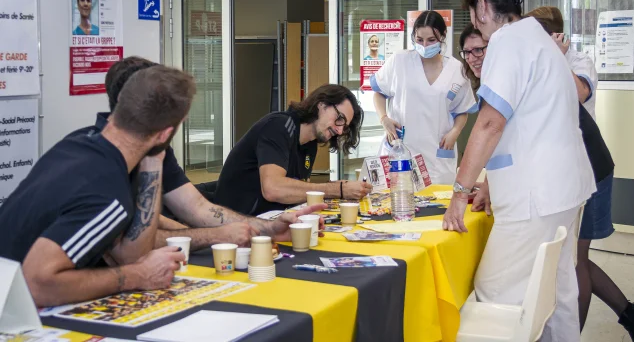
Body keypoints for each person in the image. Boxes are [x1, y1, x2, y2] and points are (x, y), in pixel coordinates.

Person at [443, 0, 596, 341]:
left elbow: (491, 123)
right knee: (555, 294)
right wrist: (492, 182)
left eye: (473, 17)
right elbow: (530, 122)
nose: (476, 26)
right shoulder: (538, 38)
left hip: (536, 196)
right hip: (563, 187)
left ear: (482, 7)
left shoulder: (507, 41)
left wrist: (458, 193)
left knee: (494, 293)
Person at [68, 56, 326, 250]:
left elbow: (196, 208)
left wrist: (265, 229)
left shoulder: (156, 150)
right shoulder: (94, 159)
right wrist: (218, 236)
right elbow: (128, 244)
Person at [0, 65, 195, 307]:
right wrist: (138, 275)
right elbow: (37, 284)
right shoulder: (108, 194)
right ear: (165, 134)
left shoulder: (75, 145)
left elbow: (129, 254)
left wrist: (154, 160)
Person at [525, 6, 634, 340]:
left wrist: (557, 57)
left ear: (554, 36)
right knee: (575, 259)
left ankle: (573, 334)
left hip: (590, 170)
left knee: (575, 263)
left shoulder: (577, 61)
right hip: (568, 172)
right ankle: (631, 315)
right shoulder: (542, 63)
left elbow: (579, 93)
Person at [214, 84, 372, 216]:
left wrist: (337, 186)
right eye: (340, 119)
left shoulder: (310, 143)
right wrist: (337, 190)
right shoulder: (278, 126)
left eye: (344, 127)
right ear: (321, 104)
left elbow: (299, 190)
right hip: (237, 226)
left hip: (270, 223)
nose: (339, 130)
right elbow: (273, 189)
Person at [371, 10, 477, 185]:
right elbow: (379, 92)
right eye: (419, 40)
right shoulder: (400, 61)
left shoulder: (457, 70)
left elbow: (462, 111)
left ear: (443, 36)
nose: (425, 45)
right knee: (397, 204)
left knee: (437, 206)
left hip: (438, 153)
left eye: (431, 40)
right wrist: (384, 119)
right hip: (401, 148)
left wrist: (455, 132)